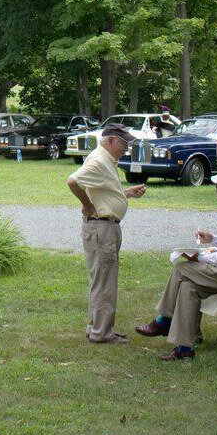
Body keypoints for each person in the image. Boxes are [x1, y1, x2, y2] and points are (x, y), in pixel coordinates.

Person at [135, 168, 217, 361]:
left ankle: (164, 320)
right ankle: (184, 348)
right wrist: (213, 239)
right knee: (188, 288)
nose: (216, 190)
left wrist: (199, 258)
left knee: (181, 269)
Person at [67, 124, 148, 344]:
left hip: (104, 226)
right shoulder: (99, 161)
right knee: (105, 282)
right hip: (102, 228)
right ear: (110, 140)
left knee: (100, 279)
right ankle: (101, 333)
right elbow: (73, 181)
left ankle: (96, 327)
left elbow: (104, 191)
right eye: (123, 144)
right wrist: (86, 205)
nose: (126, 148)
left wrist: (126, 194)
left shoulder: (105, 159)